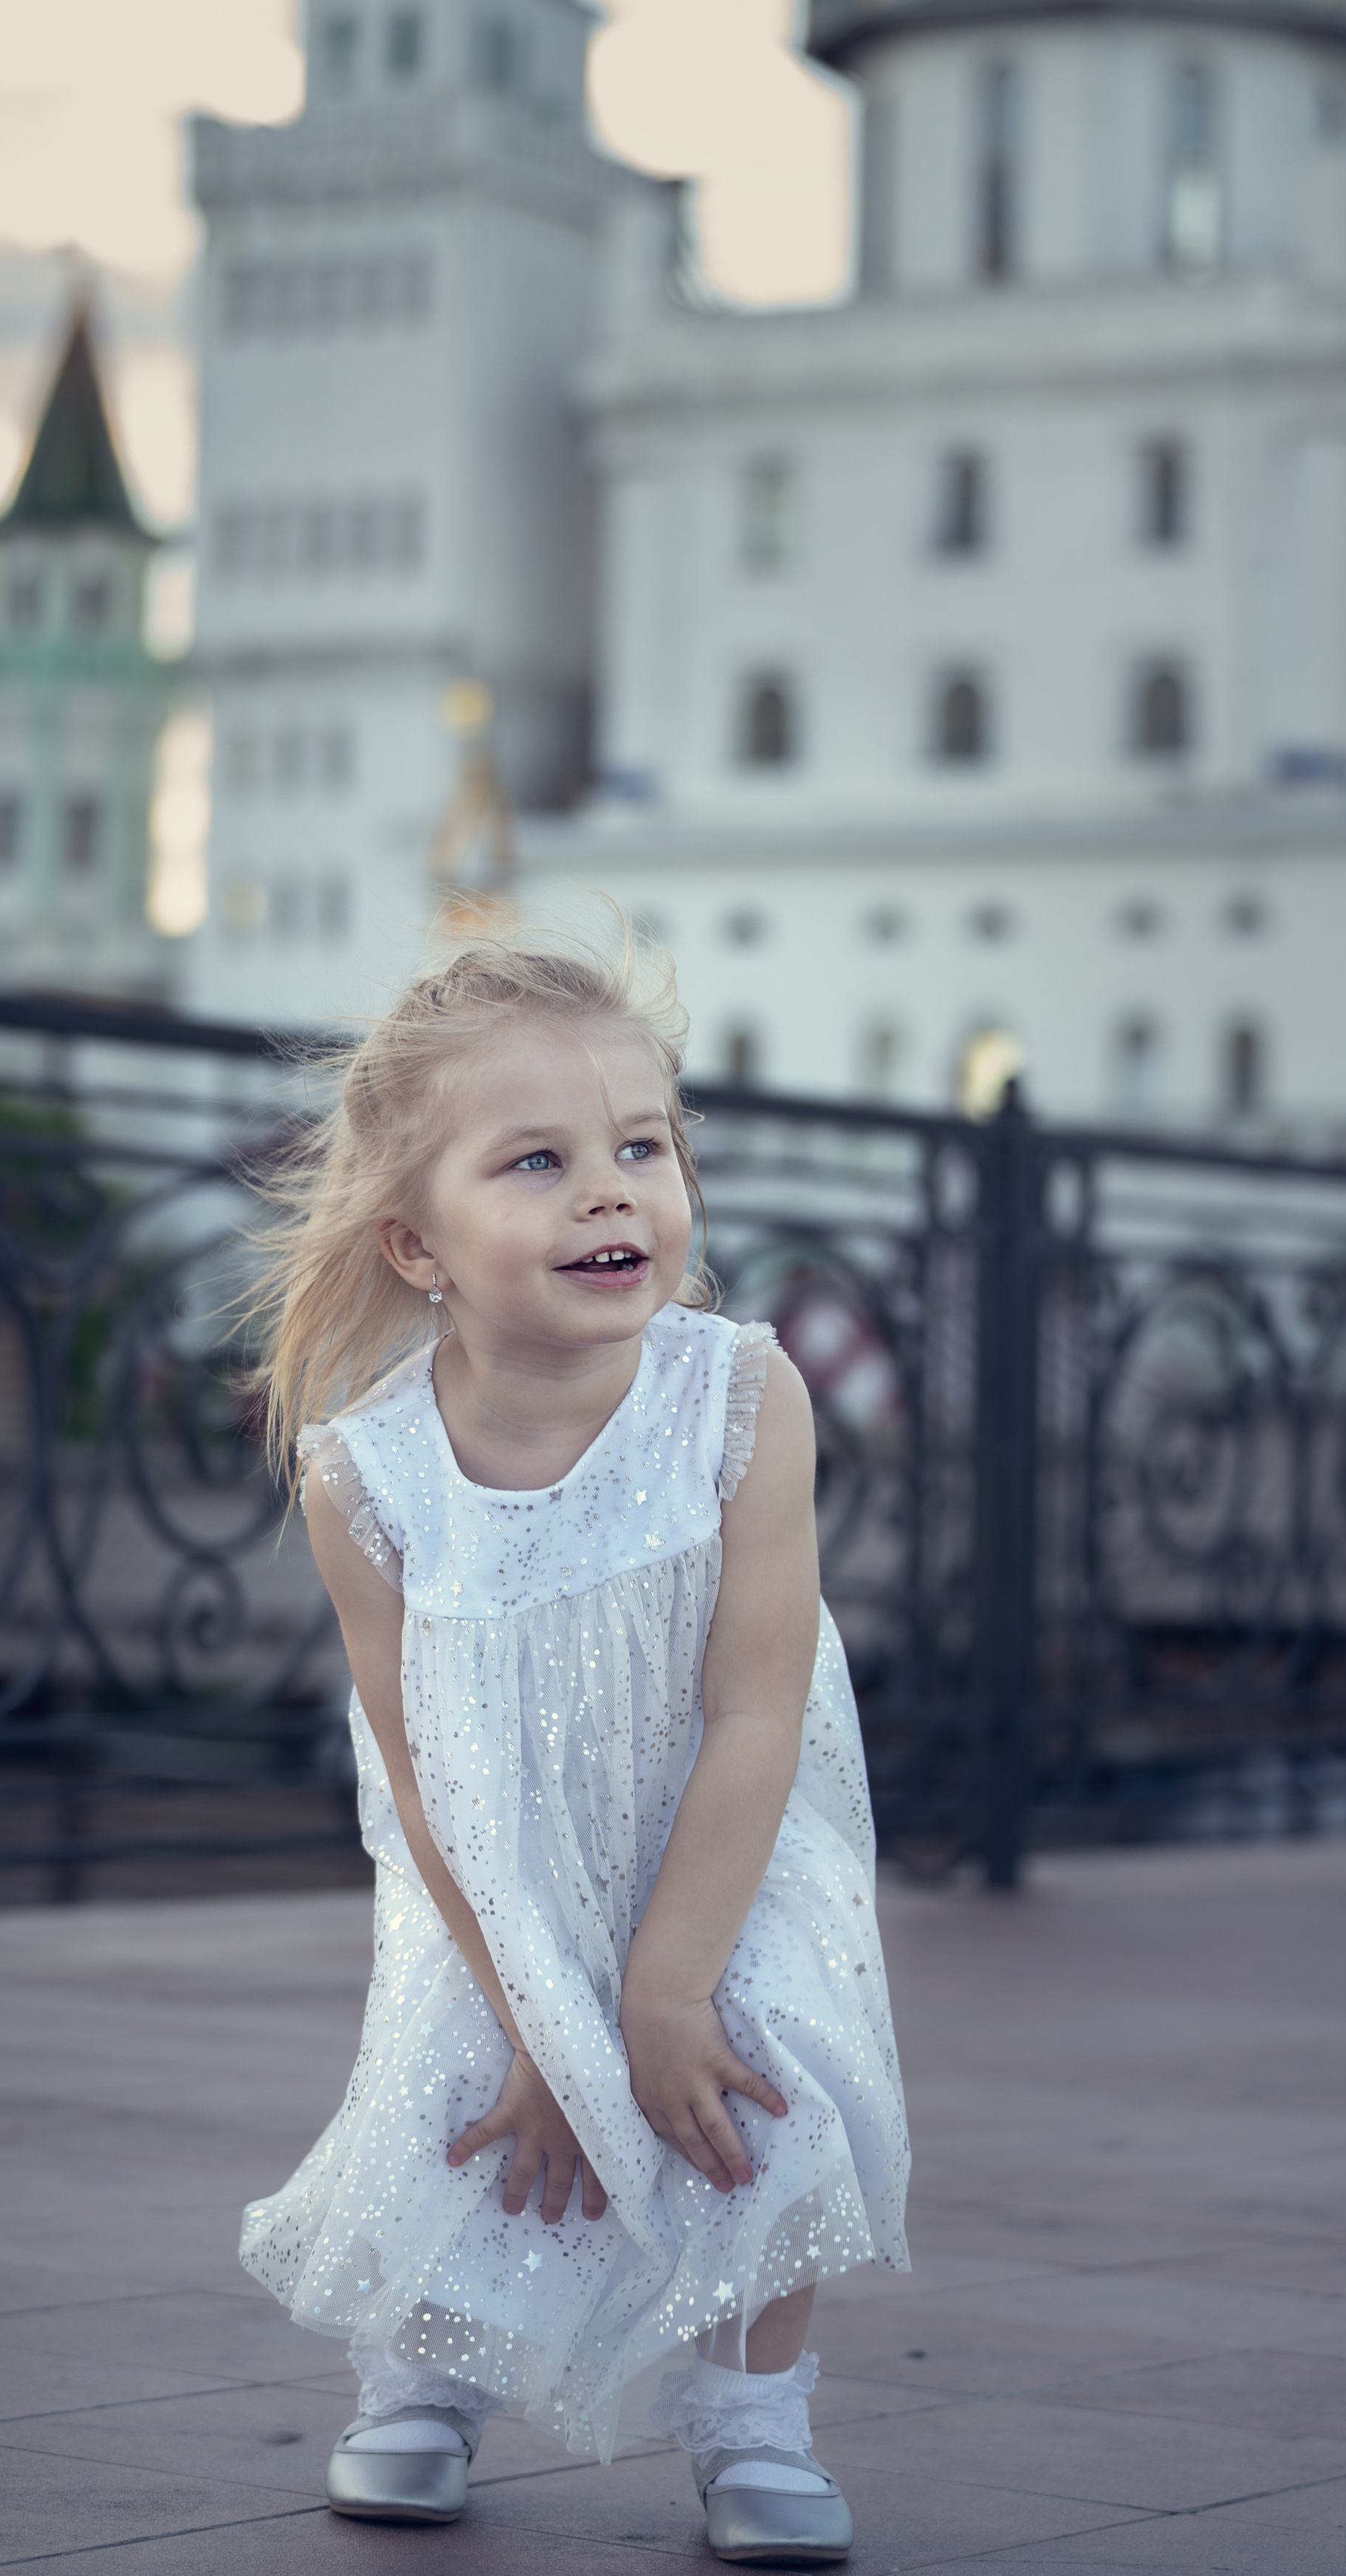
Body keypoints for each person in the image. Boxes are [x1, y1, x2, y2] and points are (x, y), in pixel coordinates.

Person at [242, 924, 909, 2566]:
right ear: (417, 1243)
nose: (611, 1192)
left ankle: (752, 2422)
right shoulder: (365, 1479)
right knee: (469, 2098)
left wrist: (664, 1987)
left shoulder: (739, 1401)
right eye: (536, 1161)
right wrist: (545, 2016)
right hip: (491, 1864)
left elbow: (757, 1704)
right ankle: (422, 2384)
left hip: (728, 1830)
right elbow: (414, 1772)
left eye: (643, 1148)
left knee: (753, 2081)